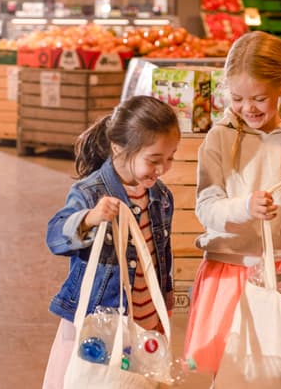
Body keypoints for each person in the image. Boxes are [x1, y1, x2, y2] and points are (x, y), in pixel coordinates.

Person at [183, 31, 281, 377]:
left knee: (278, 370)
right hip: (228, 268)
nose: (248, 108)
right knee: (229, 370)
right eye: (237, 98)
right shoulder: (218, 139)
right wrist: (244, 207)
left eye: (259, 98)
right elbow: (207, 208)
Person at [42, 95, 181, 389]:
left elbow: (160, 256)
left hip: (145, 318)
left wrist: (163, 304)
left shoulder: (161, 197)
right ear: (119, 148)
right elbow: (54, 236)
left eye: (170, 158)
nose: (162, 169)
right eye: (154, 160)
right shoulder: (91, 192)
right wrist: (90, 218)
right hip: (99, 322)